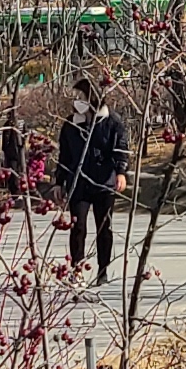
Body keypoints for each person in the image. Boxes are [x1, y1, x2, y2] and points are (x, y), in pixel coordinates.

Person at [53, 73, 129, 281]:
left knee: (104, 228)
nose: (76, 101)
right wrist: (59, 181)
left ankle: (103, 270)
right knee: (78, 227)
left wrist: (121, 172)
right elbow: (64, 155)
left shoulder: (112, 122)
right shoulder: (71, 124)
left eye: (81, 97)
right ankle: (77, 269)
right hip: (78, 183)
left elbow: (121, 149)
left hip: (104, 182)